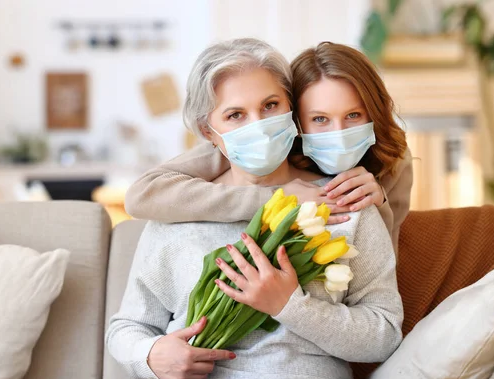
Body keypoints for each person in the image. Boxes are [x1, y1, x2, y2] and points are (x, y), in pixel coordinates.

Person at [107, 38, 403, 379]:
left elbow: (383, 335)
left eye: (270, 106)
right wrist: (151, 355)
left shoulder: (344, 202)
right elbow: (127, 327)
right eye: (235, 115)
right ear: (208, 133)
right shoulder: (177, 212)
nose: (259, 125)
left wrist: (289, 305)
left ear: (292, 112)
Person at [124, 42, 412, 254]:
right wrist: (275, 198)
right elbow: (143, 195)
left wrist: (380, 206)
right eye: (319, 119)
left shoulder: (390, 158)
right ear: (296, 118)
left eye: (354, 115)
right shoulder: (265, 143)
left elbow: (384, 268)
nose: (338, 134)